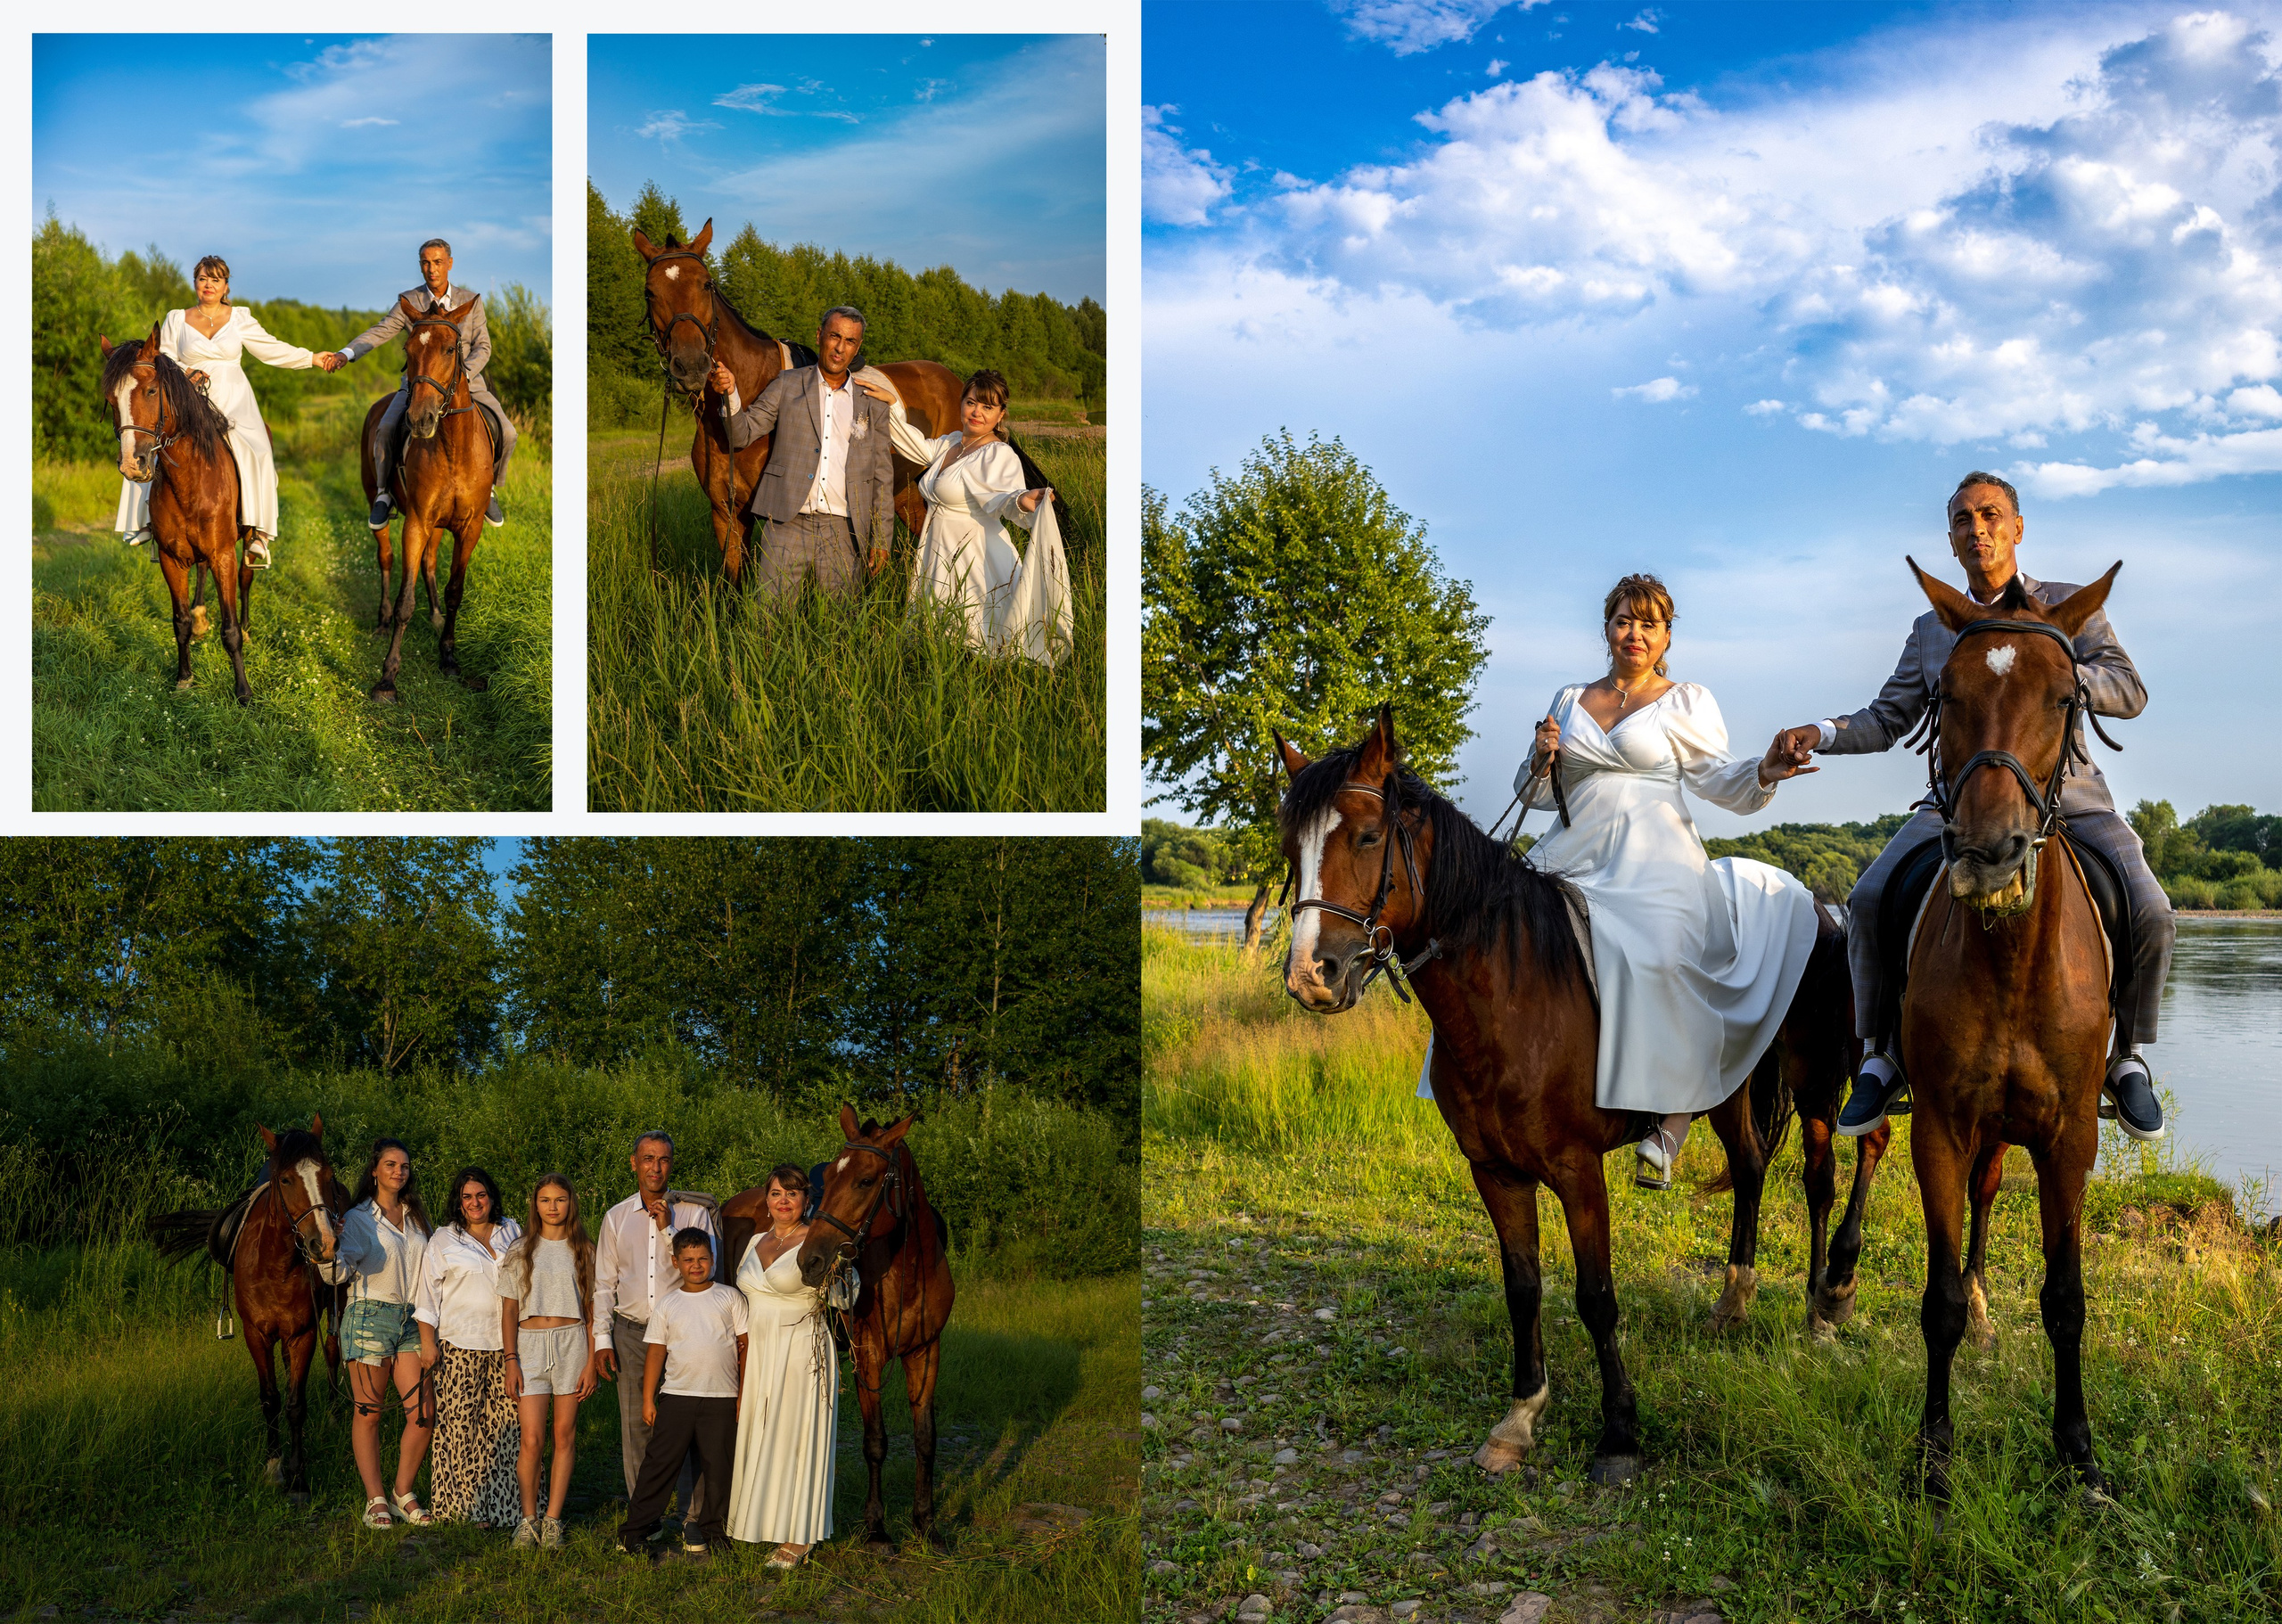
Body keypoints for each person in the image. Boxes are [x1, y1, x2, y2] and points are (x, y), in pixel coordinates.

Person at [1768, 472, 2170, 1142]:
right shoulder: (1932, 630)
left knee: (2152, 909)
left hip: (2068, 796)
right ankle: (1881, 1053)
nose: (1976, 528)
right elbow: (1888, 717)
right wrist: (1823, 733)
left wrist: (2057, 669)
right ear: (1951, 541)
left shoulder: (2069, 607)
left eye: (1990, 515)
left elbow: (2130, 690)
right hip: (1957, 801)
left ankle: (2127, 1056)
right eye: (1962, 520)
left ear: (2017, 528)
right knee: (1867, 899)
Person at [1421, 574, 1819, 1189]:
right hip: (1573, 851)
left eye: (1648, 623)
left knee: (1662, 958)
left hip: (1656, 856)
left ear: (1666, 637)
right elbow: (1537, 796)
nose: (1635, 633)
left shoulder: (1685, 700)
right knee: (1495, 943)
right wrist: (1540, 760)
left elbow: (1718, 779)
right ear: (1606, 628)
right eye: (1624, 620)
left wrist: (1764, 770)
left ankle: (1674, 1116)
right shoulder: (1568, 699)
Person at [113, 255, 318, 570]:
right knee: (149, 440)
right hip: (188, 397)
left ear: (225, 286)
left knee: (259, 450)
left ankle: (257, 531)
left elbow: (271, 348)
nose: (208, 285)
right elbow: (162, 358)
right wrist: (185, 371)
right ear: (195, 283)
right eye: (202, 279)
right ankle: (146, 521)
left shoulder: (239, 318)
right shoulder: (176, 318)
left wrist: (312, 358)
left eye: (215, 280)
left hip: (234, 397)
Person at [316, 237, 515, 532]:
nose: (431, 269)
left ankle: (489, 490)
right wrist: (346, 353)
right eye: (425, 262)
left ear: (449, 264)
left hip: (466, 383)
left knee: (508, 432)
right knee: (385, 429)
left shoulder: (470, 301)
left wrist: (465, 375)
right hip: (420, 385)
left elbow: (483, 347)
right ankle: (384, 493)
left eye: (437, 262)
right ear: (420, 266)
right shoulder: (409, 302)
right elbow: (381, 331)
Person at [874, 368, 1069, 664]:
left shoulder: (998, 454)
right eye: (971, 402)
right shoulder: (951, 444)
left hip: (972, 553)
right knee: (937, 630)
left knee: (978, 633)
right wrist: (890, 405)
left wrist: (1021, 499)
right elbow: (916, 446)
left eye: (987, 407)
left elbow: (1002, 497)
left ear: (1001, 415)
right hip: (937, 547)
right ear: (961, 404)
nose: (977, 412)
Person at [706, 306, 895, 601]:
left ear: (857, 347)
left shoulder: (872, 403)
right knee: (769, 615)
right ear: (820, 336)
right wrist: (730, 395)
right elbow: (742, 434)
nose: (840, 348)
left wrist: (881, 538)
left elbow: (882, 476)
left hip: (843, 528)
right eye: (834, 336)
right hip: (786, 522)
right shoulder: (787, 383)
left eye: (850, 341)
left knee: (842, 618)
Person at [587, 1131, 719, 1538]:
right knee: (637, 1428)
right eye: (648, 1158)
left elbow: (705, 1268)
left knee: (688, 1426)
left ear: (671, 1164)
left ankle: (692, 1517)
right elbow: (604, 1285)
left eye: (663, 1159)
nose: (655, 1167)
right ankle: (645, 1518)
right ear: (634, 1163)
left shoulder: (693, 1214)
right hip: (631, 1332)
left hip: (684, 1334)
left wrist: (668, 1228)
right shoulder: (616, 1217)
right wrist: (602, 1341)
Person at [725, 1164, 838, 1569]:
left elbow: (846, 1296)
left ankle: (799, 1535)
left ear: (807, 1199)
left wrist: (841, 1274)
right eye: (776, 1193)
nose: (784, 1201)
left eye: (792, 1193)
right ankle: (758, 1518)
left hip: (801, 1348)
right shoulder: (756, 1239)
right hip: (758, 1351)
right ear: (767, 1200)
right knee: (759, 1431)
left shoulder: (818, 1240)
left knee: (795, 1437)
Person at [618, 1228, 748, 1564]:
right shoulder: (668, 1303)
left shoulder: (730, 1298)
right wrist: (648, 1399)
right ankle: (635, 1531)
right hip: (676, 1396)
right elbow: (656, 1353)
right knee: (660, 1464)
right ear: (676, 1262)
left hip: (721, 1397)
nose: (696, 1265)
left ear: (713, 1260)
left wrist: (742, 1394)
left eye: (703, 1258)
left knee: (719, 1468)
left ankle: (713, 1531)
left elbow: (745, 1347)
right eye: (688, 1259)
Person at [327, 1138, 436, 1530]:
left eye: (404, 1166)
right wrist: (329, 1251)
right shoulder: (358, 1218)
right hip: (369, 1315)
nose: (398, 1171)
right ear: (374, 1170)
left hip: (413, 1319)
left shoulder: (417, 1217)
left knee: (423, 1413)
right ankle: (374, 1499)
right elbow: (338, 1272)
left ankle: (402, 1492)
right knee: (368, 1412)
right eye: (390, 1164)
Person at [413, 1166, 522, 1526]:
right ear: (459, 1203)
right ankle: (462, 1510)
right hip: (459, 1344)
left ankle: (505, 1509)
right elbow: (427, 1297)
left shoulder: (512, 1231)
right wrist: (427, 1344)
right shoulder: (445, 1239)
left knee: (505, 1427)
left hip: (508, 1346)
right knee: (460, 1427)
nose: (475, 1203)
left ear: (491, 1197)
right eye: (467, 1197)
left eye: (481, 1195)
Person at [498, 1174, 596, 1550]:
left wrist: (590, 1362)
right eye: (545, 1200)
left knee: (564, 1434)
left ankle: (553, 1520)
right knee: (531, 1438)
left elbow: (594, 1311)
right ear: (535, 1205)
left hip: (572, 1343)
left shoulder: (584, 1249)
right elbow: (509, 1310)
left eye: (560, 1199)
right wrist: (511, 1360)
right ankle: (528, 1520)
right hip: (530, 1346)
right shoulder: (521, 1249)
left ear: (571, 1203)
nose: (553, 1207)